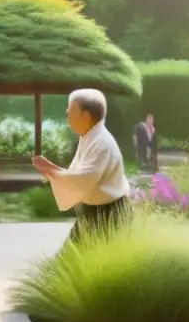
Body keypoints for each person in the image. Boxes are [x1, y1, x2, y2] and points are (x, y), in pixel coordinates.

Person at [32, 88, 130, 242]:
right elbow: (79, 174)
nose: (67, 115)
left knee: (92, 259)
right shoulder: (90, 137)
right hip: (95, 210)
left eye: (71, 111)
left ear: (85, 116)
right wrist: (52, 170)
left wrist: (51, 170)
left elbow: (84, 178)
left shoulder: (101, 142)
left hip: (107, 212)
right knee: (72, 259)